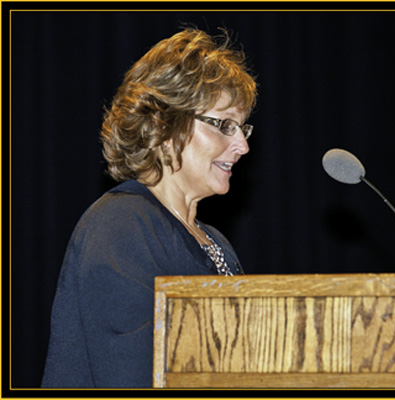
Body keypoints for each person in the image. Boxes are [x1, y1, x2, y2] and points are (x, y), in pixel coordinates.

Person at [42, 28, 257, 388]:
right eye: (224, 125)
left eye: (242, 129)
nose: (242, 146)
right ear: (163, 123)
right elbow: (136, 379)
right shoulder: (120, 227)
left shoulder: (215, 242)